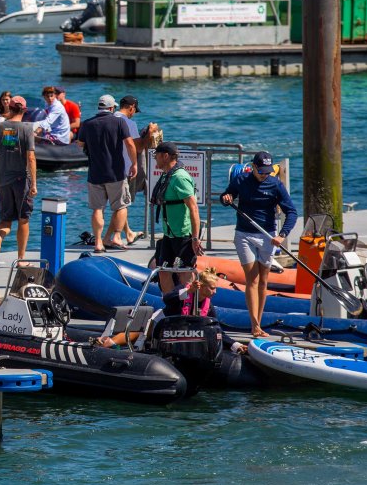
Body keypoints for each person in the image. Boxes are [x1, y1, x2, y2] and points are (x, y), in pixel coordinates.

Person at [221, 151, 297, 338]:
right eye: (261, 171)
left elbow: (292, 212)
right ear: (253, 167)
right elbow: (226, 195)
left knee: (263, 281)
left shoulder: (275, 184)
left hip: (267, 236)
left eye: (267, 171)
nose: (264, 174)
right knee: (252, 279)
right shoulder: (241, 179)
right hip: (244, 235)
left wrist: (282, 235)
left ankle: (259, 322)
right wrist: (226, 198)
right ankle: (254, 326)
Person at [95, 268, 246, 354]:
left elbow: (217, 329)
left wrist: (235, 345)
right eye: (212, 288)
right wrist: (189, 291)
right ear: (201, 285)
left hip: (182, 336)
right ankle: (111, 341)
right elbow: (168, 299)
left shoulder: (209, 307)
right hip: (162, 324)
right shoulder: (184, 291)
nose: (215, 292)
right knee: (143, 334)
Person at [0, 95, 37, 267]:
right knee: (23, 219)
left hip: (3, 181)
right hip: (21, 180)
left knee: (5, 219)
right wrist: (34, 184)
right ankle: (21, 259)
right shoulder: (27, 129)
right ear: (24, 110)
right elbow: (31, 158)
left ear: (10, 108)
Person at [75, 94, 136, 253]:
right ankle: (116, 236)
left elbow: (80, 144)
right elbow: (129, 144)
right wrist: (134, 164)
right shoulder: (119, 122)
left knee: (97, 209)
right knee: (121, 206)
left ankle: (98, 243)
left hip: (95, 173)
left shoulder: (87, 124)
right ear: (111, 108)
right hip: (115, 173)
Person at [149, 142, 202, 293]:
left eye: (157, 156)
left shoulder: (180, 177)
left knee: (185, 272)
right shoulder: (167, 175)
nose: (155, 160)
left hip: (184, 234)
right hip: (169, 233)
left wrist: (195, 238)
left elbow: (193, 208)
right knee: (164, 271)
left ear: (165, 156)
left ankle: (189, 307)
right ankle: (171, 305)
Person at [116, 95, 157, 245]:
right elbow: (138, 147)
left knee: (118, 203)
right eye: (134, 110)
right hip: (126, 167)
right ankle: (114, 236)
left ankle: (128, 233)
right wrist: (150, 134)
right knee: (122, 205)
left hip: (111, 166)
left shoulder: (111, 118)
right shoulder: (128, 123)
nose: (134, 113)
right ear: (131, 107)